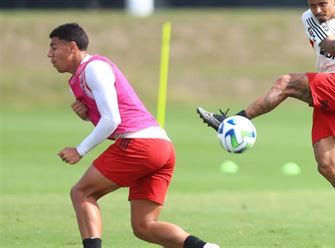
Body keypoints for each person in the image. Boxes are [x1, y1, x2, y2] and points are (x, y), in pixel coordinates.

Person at [197, 0, 335, 247]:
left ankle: (231, 120)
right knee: (327, 166)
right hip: (330, 92)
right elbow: (330, 47)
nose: (317, 10)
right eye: (312, 4)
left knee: (285, 83)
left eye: (322, 4)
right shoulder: (310, 18)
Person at [49, 23, 219, 248]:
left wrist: (79, 150)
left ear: (72, 47)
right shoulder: (77, 79)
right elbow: (109, 114)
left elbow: (112, 120)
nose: (49, 54)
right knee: (144, 226)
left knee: (82, 193)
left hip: (140, 143)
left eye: (54, 47)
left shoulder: (93, 69)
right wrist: (87, 114)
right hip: (161, 147)